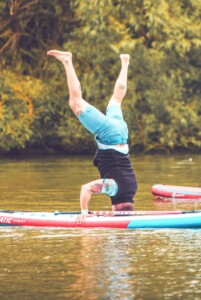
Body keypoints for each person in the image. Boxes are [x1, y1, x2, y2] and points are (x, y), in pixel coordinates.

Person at [47, 50, 138, 223]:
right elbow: (86, 189)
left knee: (116, 99)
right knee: (75, 103)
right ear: (117, 208)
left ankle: (125, 63)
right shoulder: (114, 189)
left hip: (122, 134)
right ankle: (67, 61)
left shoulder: (133, 189)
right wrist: (84, 212)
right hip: (110, 135)